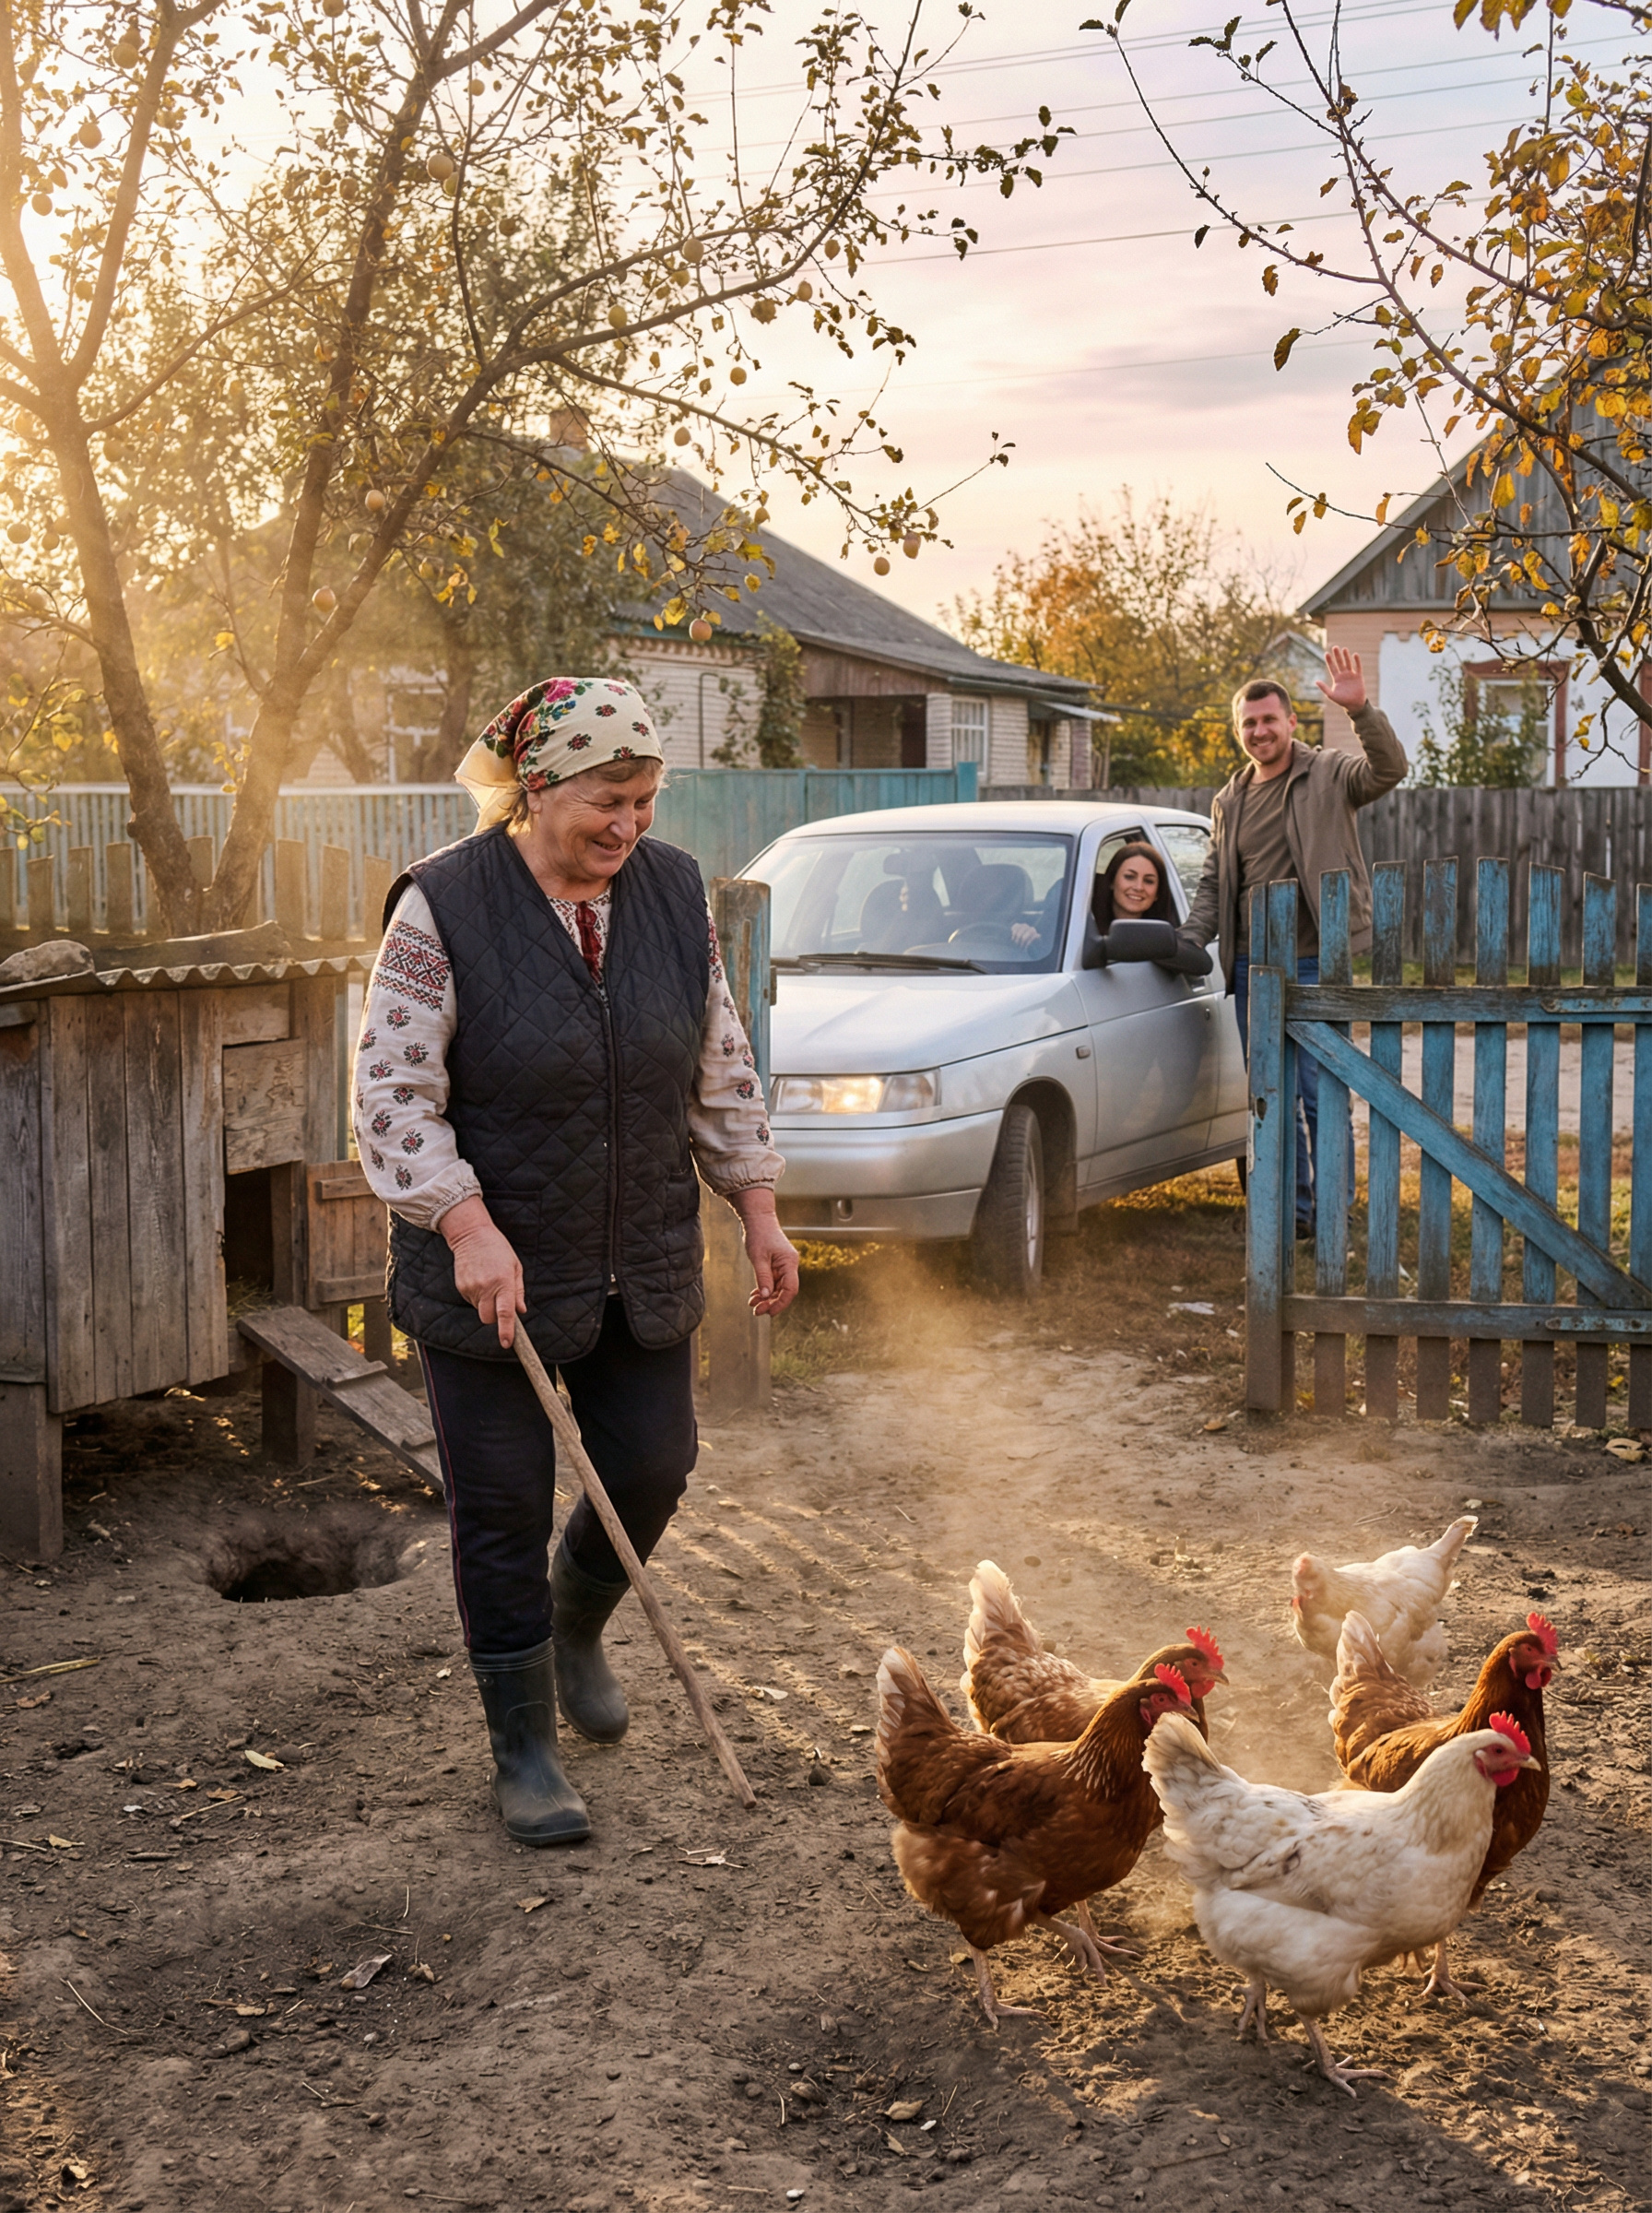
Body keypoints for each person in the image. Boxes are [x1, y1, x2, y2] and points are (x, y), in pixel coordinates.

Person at [353, 676, 798, 1848]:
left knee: (653, 1463)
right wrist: (463, 1222)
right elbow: (393, 1097)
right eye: (609, 800)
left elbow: (718, 1062)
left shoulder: (669, 891)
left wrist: (755, 1205)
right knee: (500, 1507)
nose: (630, 826)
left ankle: (576, 1623)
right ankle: (526, 1749)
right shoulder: (441, 908)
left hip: (636, 1250)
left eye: (647, 802)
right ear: (536, 787)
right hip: (490, 1271)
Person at [1179, 647, 1407, 1234]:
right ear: (1239, 731)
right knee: (1270, 1098)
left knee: (1319, 1094)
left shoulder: (1329, 773)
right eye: (1249, 723)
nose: (1260, 731)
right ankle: (1293, 1217)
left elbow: (1389, 771)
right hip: (1254, 967)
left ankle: (1333, 1214)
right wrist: (1191, 938)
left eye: (1269, 720)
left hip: (1316, 962)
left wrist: (1360, 712)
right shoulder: (1229, 800)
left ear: (1290, 723)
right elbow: (1214, 882)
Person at [1091, 839, 1212, 976]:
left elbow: (1202, 963)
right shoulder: (1082, 928)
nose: (1138, 887)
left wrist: (1139, 942)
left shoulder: (1162, 936)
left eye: (1149, 881)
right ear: (1112, 881)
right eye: (1129, 877)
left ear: (1157, 894)